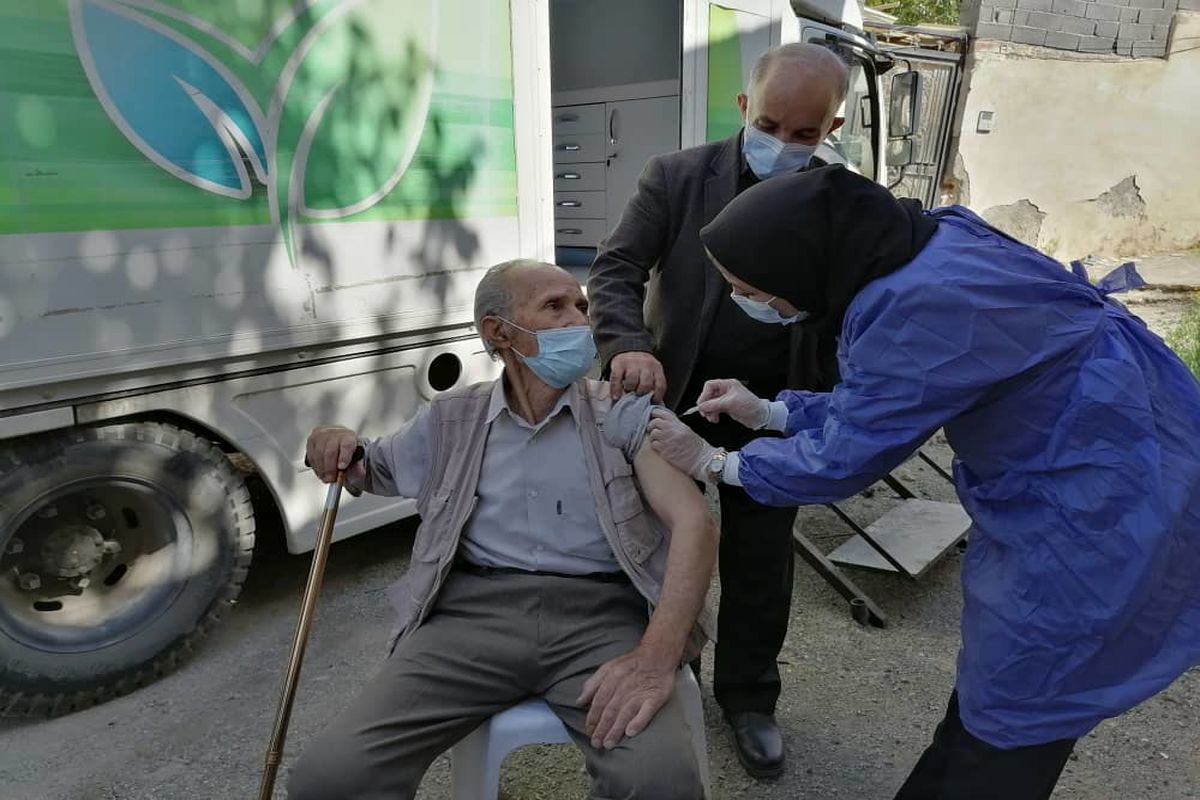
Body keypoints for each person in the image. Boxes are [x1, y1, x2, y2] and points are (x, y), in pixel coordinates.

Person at [645, 164, 1200, 800]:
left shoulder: (906, 305)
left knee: (1022, 701)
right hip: (1130, 439)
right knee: (1002, 693)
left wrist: (716, 463)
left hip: (1100, 500)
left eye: (750, 290)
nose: (745, 302)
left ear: (799, 265)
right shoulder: (924, 246)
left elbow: (844, 457)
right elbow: (895, 397)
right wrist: (769, 411)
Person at [288, 260, 717, 800]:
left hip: (602, 619)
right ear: (499, 332)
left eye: (581, 306)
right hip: (469, 619)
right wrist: (331, 439)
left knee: (661, 783)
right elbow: (366, 466)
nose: (579, 321)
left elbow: (694, 523)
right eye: (554, 306)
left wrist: (655, 657)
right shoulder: (451, 418)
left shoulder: (620, 413)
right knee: (330, 778)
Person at [587, 42, 850, 779]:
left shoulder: (840, 198)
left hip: (775, 408)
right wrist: (627, 347)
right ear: (744, 106)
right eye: (770, 125)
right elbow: (615, 268)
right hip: (674, 398)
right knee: (663, 548)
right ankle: (671, 675)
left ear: (832, 128)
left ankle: (749, 697)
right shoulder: (675, 176)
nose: (784, 143)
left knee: (761, 557)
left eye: (805, 133)